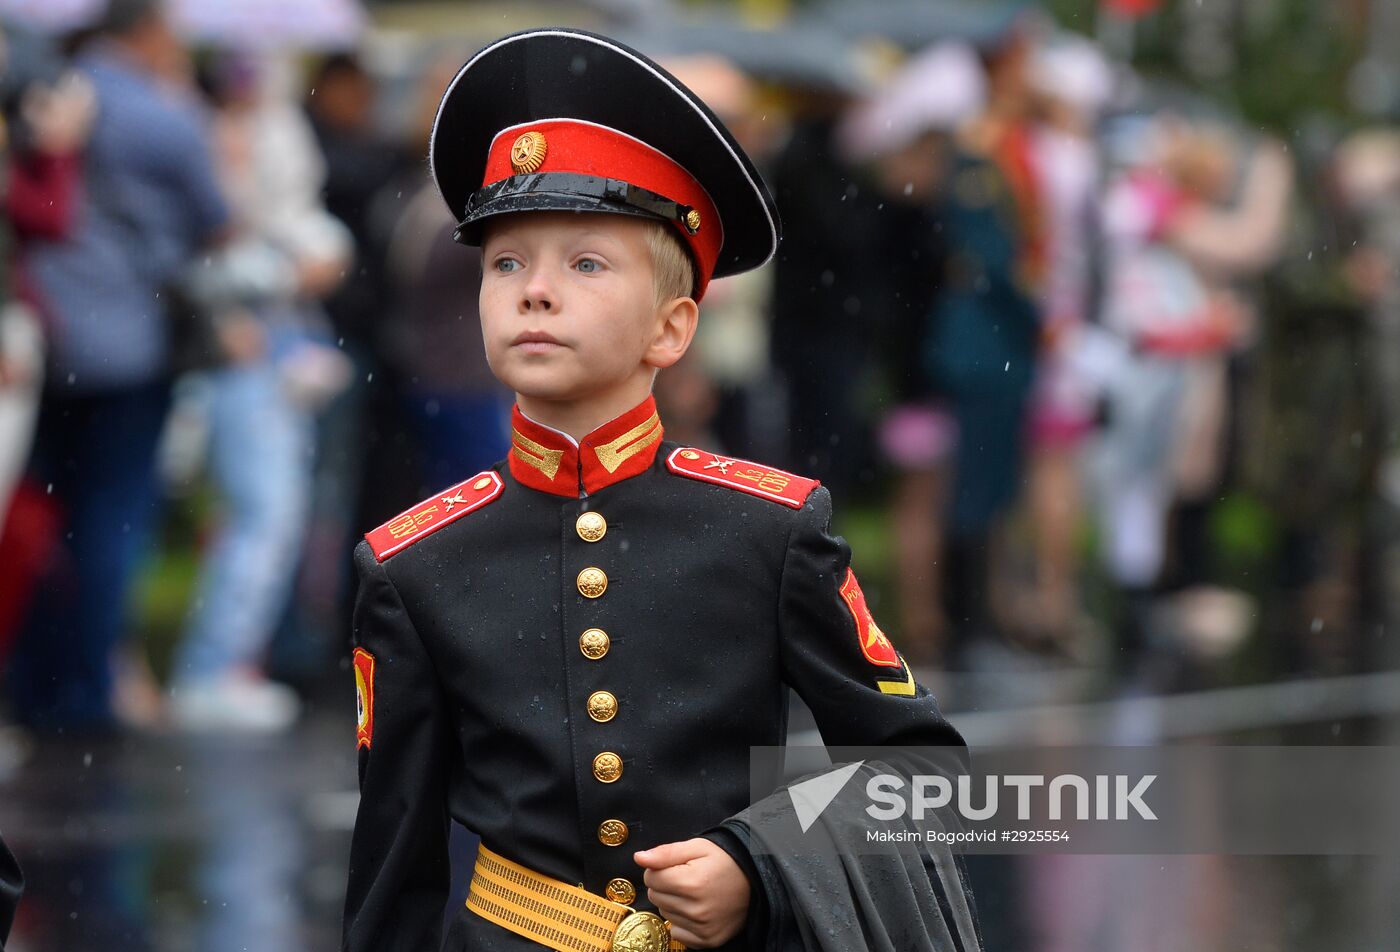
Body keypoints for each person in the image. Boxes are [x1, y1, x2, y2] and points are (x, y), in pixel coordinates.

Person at [343, 28, 980, 952]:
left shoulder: (768, 528)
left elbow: (928, 776)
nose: (534, 292)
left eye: (586, 263)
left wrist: (759, 864)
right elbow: (392, 873)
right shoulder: (414, 565)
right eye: (506, 263)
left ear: (673, 329)